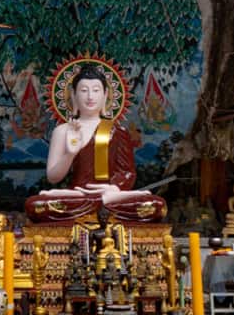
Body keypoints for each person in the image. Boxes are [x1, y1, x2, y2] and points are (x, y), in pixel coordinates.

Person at [24, 64, 165, 223]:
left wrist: (114, 188)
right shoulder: (62, 131)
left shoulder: (117, 131)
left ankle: (100, 203)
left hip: (110, 196)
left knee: (155, 205)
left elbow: (127, 172)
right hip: (77, 196)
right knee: (36, 205)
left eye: (96, 90)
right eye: (84, 90)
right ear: (74, 95)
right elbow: (53, 177)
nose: (90, 96)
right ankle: (98, 205)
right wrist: (70, 153)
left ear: (105, 95)